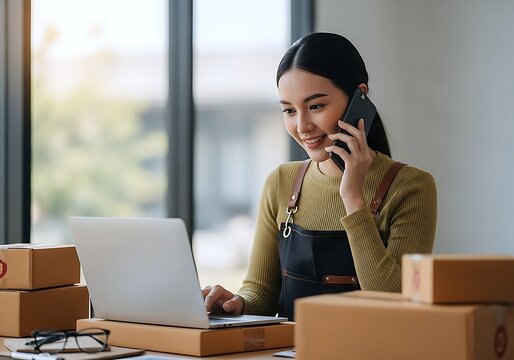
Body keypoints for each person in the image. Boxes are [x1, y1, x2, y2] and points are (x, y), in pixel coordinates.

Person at [202, 32, 437, 320]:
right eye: (289, 110)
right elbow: (262, 294)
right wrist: (236, 303)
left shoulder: (410, 186)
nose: (301, 126)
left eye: (315, 106)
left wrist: (352, 198)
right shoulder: (281, 181)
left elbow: (392, 305)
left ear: (358, 97)